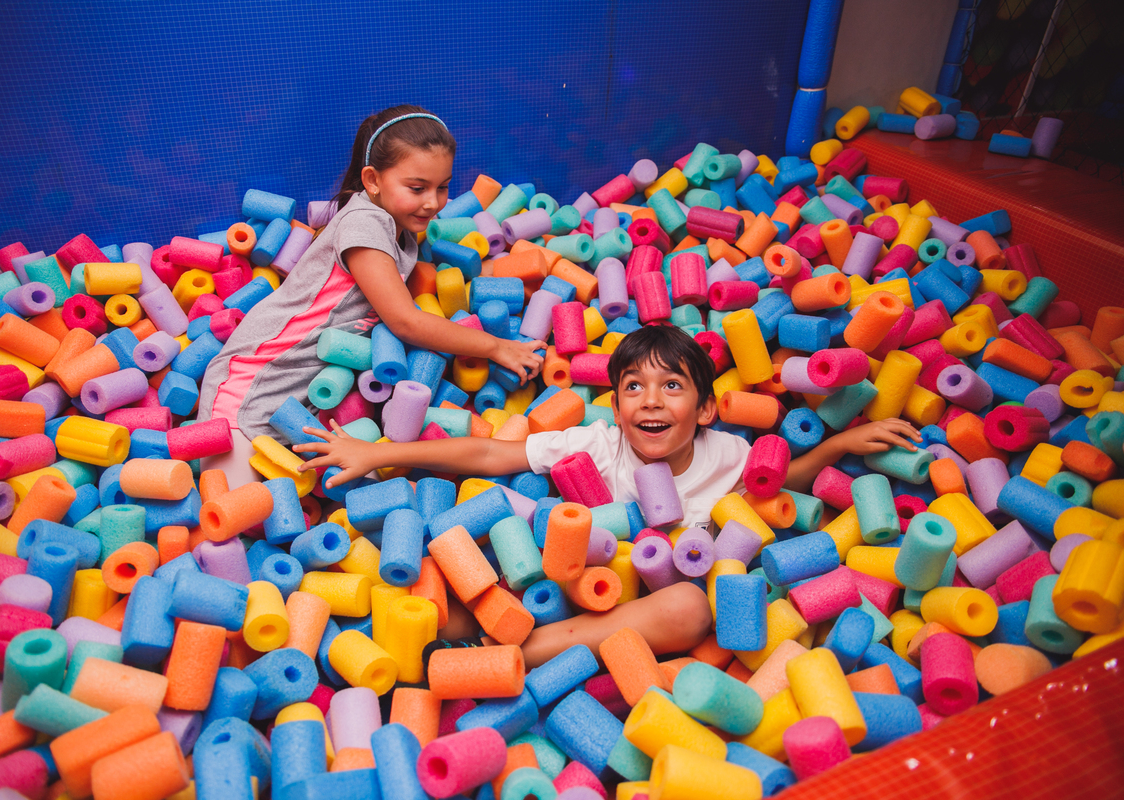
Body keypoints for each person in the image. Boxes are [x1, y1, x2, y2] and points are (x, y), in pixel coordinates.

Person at [295, 324, 923, 667]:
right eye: (633, 388)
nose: (651, 400)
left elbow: (785, 481)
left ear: (705, 410)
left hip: (636, 602)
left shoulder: (726, 456)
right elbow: (488, 454)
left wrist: (844, 443)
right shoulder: (596, 443)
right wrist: (376, 453)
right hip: (557, 581)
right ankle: (449, 647)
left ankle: (522, 656)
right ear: (617, 404)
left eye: (672, 387)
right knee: (455, 583)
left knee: (691, 609)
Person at [196, 104, 544, 449]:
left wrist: (519, 274)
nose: (434, 203)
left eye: (442, 187)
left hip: (300, 407)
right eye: (417, 188)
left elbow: (443, 276)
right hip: (251, 387)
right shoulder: (363, 223)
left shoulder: (400, 223)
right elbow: (406, 323)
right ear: (373, 180)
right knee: (237, 503)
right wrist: (498, 347)